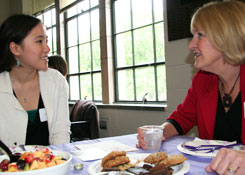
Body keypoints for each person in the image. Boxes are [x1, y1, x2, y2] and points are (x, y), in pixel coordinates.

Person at [137, 0, 245, 160]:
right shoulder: (203, 80)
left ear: (226, 37)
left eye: (199, 35)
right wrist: (159, 132)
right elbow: (182, 118)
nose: (191, 45)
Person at [0, 14, 71, 147]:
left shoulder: (56, 80)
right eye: (39, 41)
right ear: (15, 48)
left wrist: (57, 162)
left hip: (51, 164)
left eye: (46, 41)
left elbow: (61, 133)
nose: (47, 49)